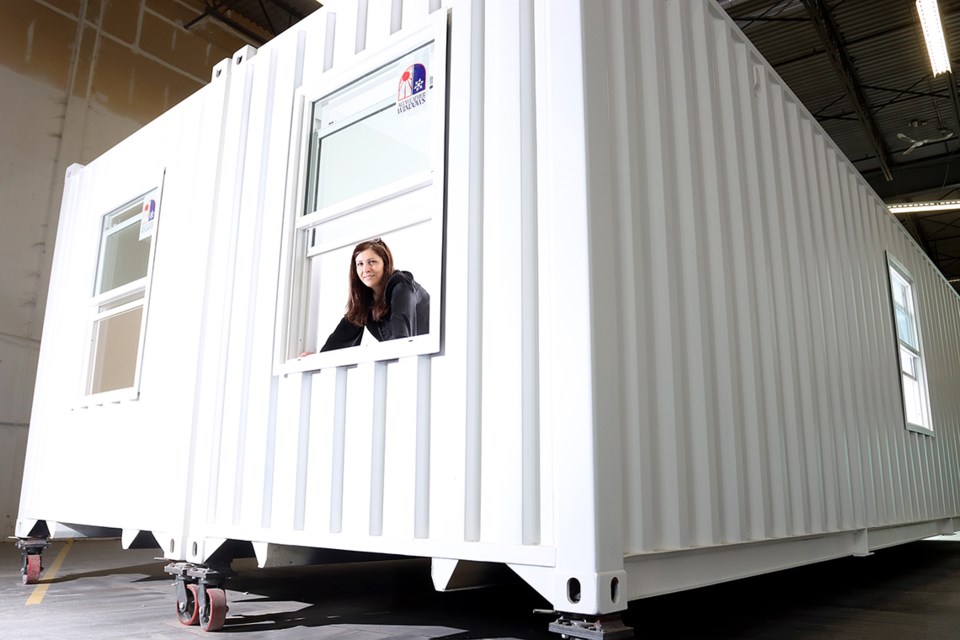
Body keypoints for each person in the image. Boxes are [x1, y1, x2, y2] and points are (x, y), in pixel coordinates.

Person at [318, 237, 430, 352]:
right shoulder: (365, 300)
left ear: (385, 264)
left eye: (372, 262)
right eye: (360, 264)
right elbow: (341, 338)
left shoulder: (402, 286)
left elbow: (400, 337)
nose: (366, 269)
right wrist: (317, 358)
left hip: (432, 358)